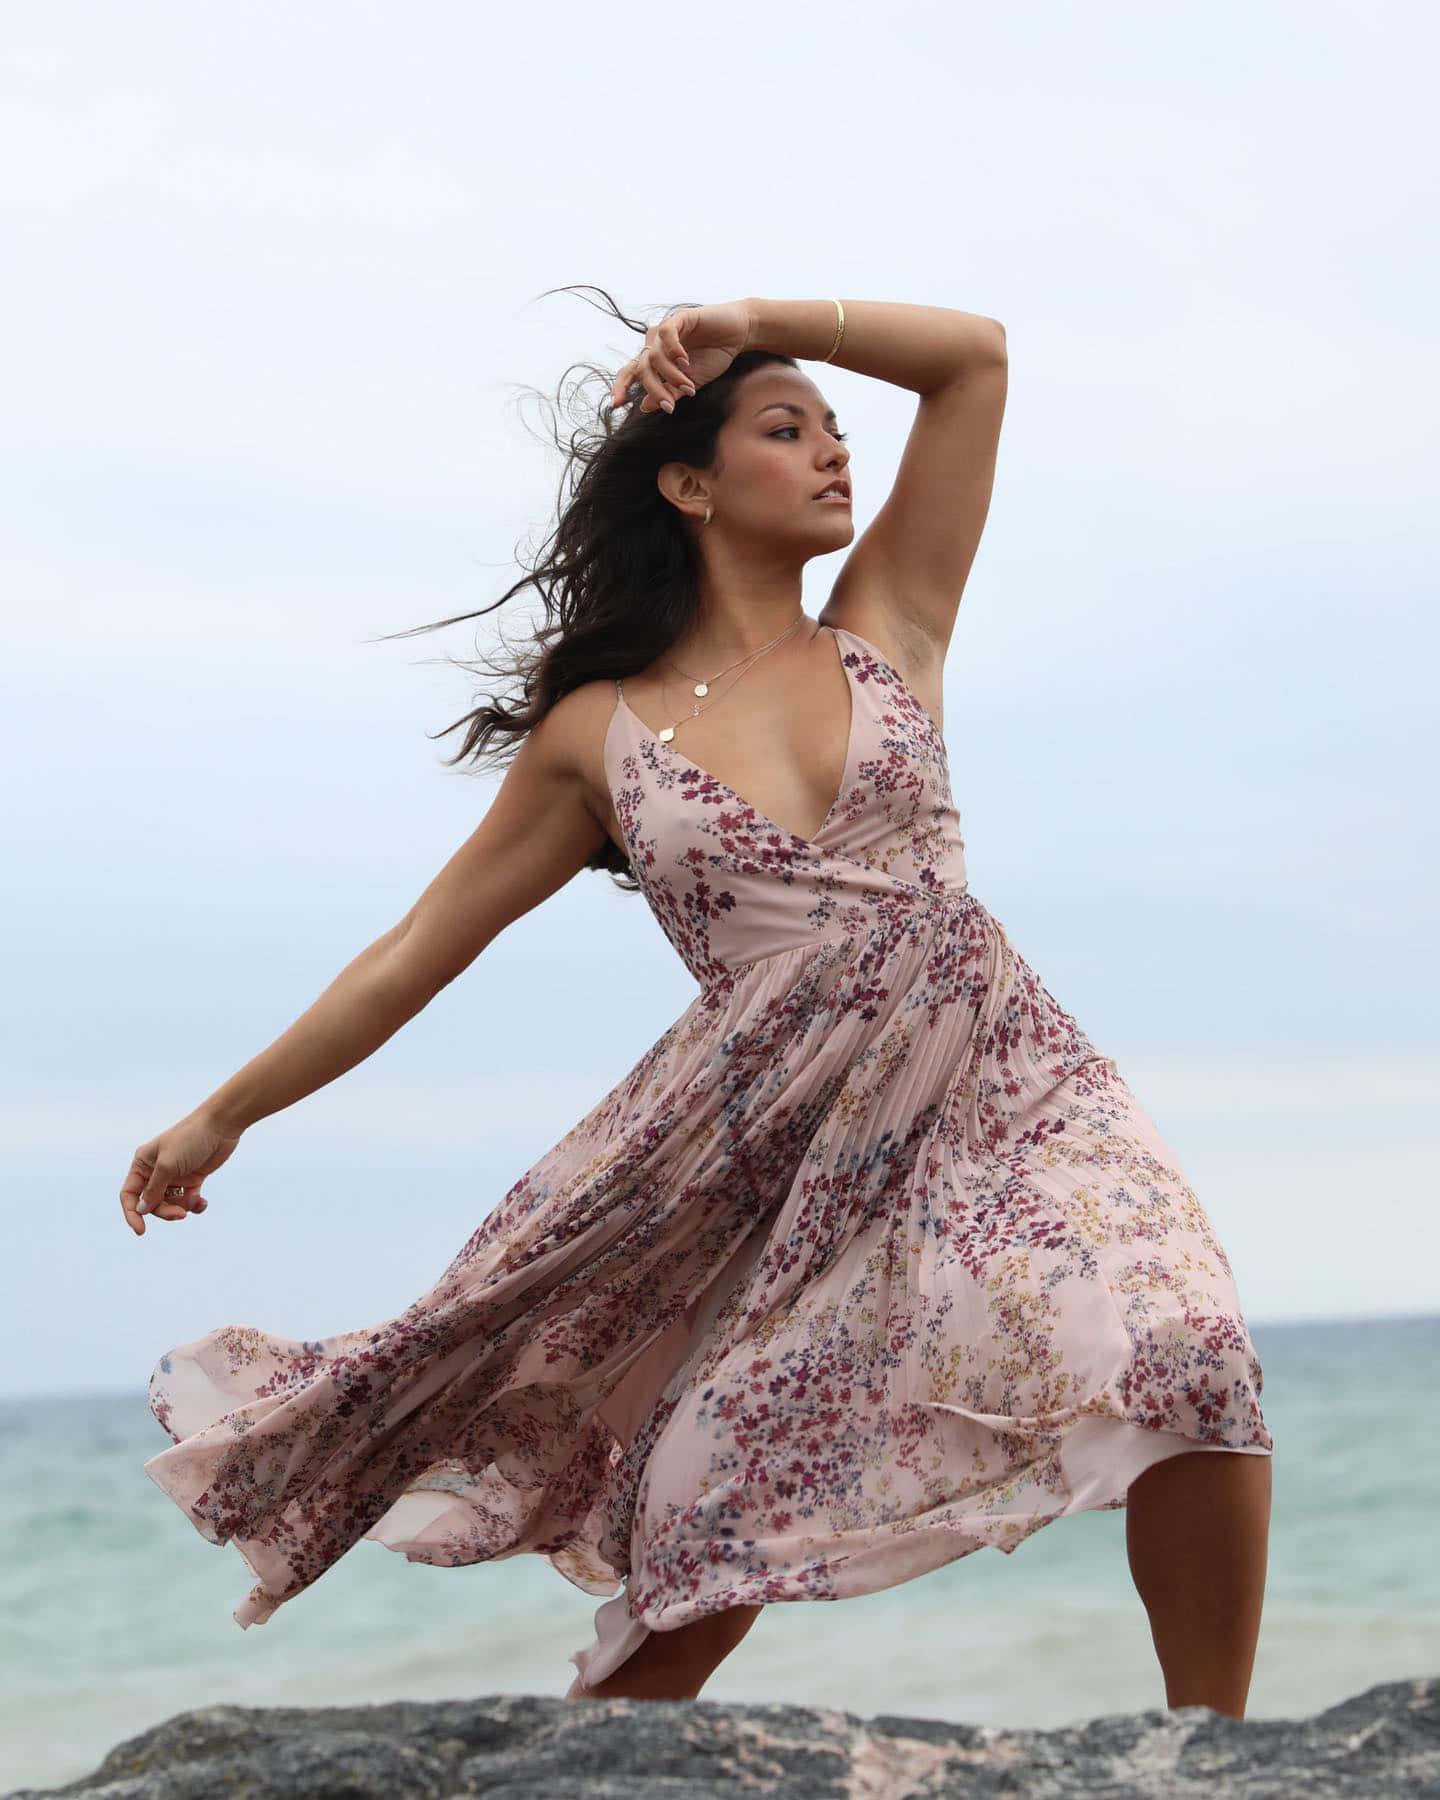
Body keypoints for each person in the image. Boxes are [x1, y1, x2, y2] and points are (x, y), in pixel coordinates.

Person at [121, 293, 1273, 1721]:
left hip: (1005, 1080)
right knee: (706, 1526)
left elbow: (973, 359)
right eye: (787, 432)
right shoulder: (594, 739)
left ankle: (1217, 1754)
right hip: (773, 1156)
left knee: (1185, 1350)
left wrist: (752, 317)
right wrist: (226, 1110)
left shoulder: (888, 626)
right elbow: (418, 946)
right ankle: (594, 1753)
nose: (834, 455)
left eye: (837, 432)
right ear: (690, 483)